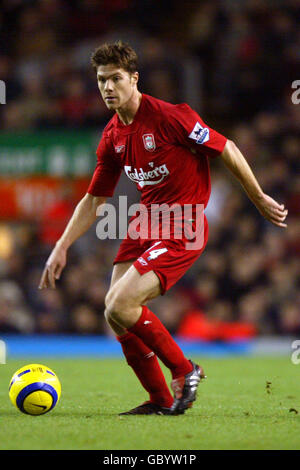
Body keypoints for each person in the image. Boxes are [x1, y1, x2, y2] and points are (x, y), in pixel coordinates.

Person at [39, 41, 288, 415]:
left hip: (183, 224)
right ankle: (159, 399)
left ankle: (186, 370)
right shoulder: (112, 137)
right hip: (144, 224)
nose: (108, 87)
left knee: (121, 304)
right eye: (101, 80)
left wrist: (258, 197)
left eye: (115, 79)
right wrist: (62, 246)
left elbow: (228, 148)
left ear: (134, 79)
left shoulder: (171, 117)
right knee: (114, 314)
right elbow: (94, 200)